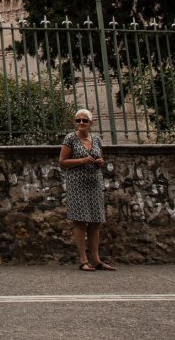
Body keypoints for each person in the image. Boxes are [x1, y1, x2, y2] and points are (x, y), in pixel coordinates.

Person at [59, 108, 112, 271]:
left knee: (96, 221)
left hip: (94, 182)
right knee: (81, 221)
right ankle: (83, 260)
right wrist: (82, 160)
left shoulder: (96, 139)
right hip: (77, 183)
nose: (81, 123)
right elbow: (62, 161)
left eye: (84, 120)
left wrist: (100, 162)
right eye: (78, 120)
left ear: (91, 123)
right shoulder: (70, 138)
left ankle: (96, 259)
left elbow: (100, 157)